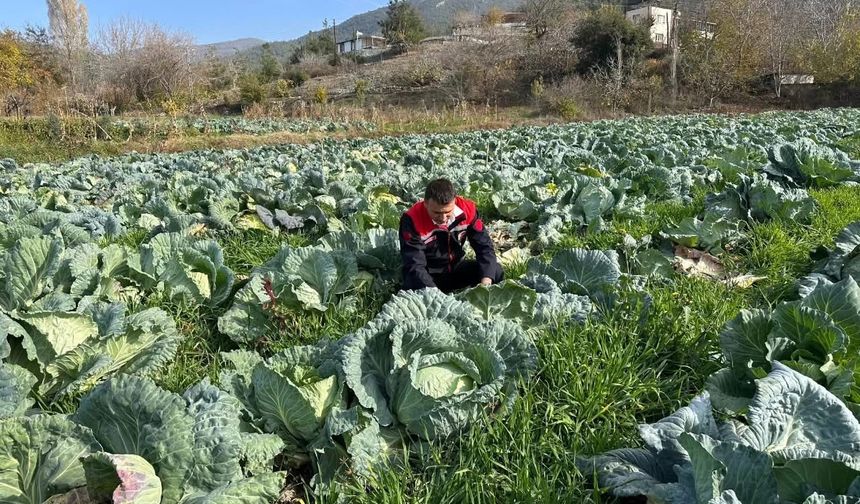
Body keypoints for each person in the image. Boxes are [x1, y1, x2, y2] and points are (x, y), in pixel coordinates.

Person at [399, 178, 504, 293]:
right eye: (437, 212)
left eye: (447, 212)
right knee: (413, 281)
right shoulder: (412, 219)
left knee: (494, 271)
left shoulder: (468, 211)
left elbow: (484, 247)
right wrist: (434, 295)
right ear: (426, 204)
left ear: (455, 201)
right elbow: (415, 264)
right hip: (427, 274)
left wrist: (486, 283)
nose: (443, 218)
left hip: (455, 268)